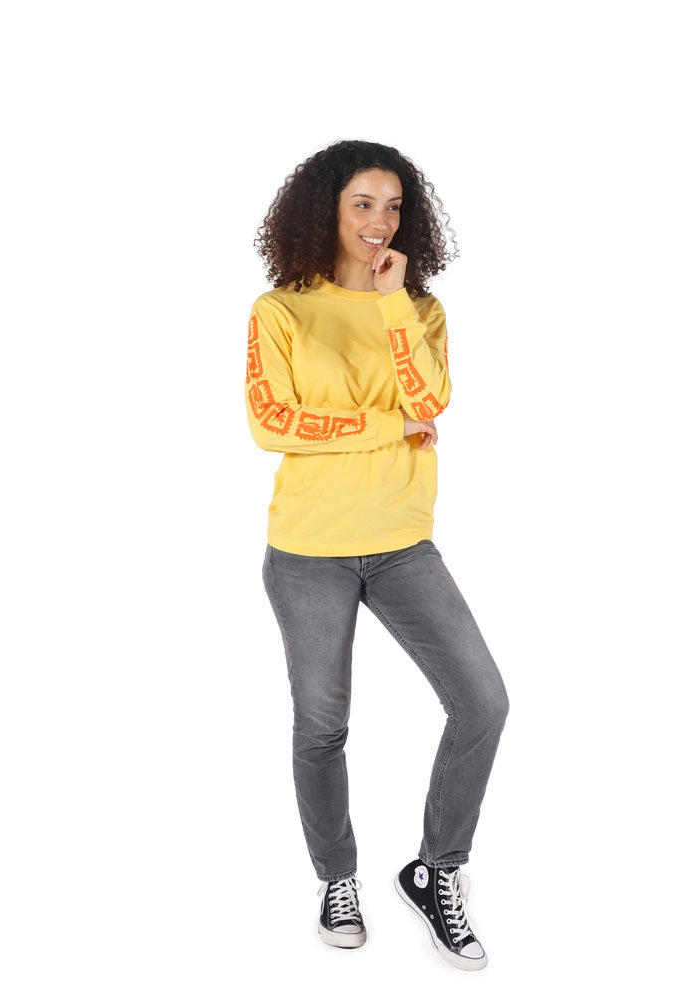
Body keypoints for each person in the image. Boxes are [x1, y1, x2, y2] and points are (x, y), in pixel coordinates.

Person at [245, 139, 509, 971]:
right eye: (362, 203)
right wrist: (388, 426)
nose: (379, 221)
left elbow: (433, 397)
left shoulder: (420, 309)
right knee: (322, 726)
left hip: (401, 543)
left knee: (483, 703)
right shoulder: (280, 310)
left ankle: (436, 871)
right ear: (325, 208)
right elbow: (271, 424)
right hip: (309, 548)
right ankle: (338, 880)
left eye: (393, 206)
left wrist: (394, 304)